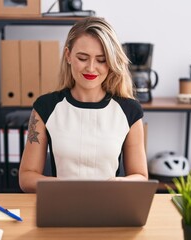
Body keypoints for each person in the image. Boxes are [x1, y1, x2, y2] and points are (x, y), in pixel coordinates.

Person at [19, 17, 148, 193]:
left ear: (111, 62)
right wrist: (66, 187)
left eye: (101, 60)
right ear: (68, 55)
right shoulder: (45, 107)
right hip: (61, 204)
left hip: (109, 206)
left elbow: (140, 176)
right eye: (82, 58)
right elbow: (27, 177)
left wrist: (119, 183)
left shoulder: (130, 111)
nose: (91, 68)